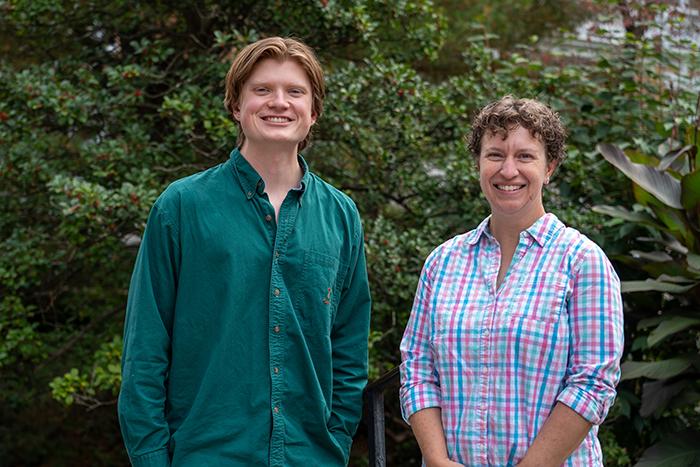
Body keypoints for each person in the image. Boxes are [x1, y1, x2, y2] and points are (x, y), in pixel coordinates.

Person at [118, 37, 371, 467]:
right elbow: (145, 347)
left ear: (314, 112)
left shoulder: (341, 215)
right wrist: (151, 456)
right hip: (204, 454)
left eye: (295, 92)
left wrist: (337, 436)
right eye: (261, 90)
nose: (279, 103)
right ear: (236, 105)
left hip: (310, 456)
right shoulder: (181, 207)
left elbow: (349, 344)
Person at [399, 96, 623, 466]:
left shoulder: (582, 263)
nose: (508, 170)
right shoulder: (442, 263)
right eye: (495, 154)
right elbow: (417, 370)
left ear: (549, 167)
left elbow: (592, 384)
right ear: (478, 164)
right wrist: (438, 461)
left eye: (524, 156)